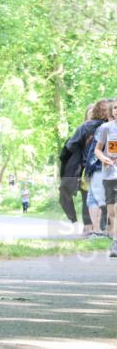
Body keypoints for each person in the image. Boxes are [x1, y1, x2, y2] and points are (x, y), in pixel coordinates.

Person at [60, 103, 105, 234]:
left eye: (94, 112)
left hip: (99, 167)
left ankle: (97, 228)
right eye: (89, 113)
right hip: (85, 169)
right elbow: (71, 147)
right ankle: (88, 227)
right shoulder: (84, 129)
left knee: (97, 197)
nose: (92, 115)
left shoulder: (104, 126)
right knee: (88, 197)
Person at [92, 98, 117, 257]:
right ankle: (114, 241)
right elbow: (97, 150)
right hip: (110, 175)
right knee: (112, 211)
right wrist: (103, 158)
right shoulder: (106, 128)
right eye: (115, 107)